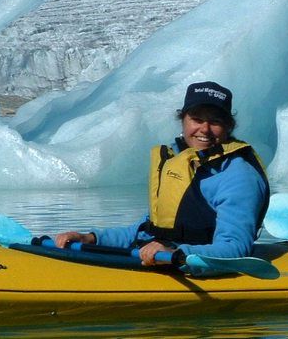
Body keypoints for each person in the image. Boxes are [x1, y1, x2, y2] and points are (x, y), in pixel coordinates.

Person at [53, 81, 270, 274]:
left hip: (190, 264)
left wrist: (175, 251)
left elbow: (235, 248)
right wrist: (92, 238)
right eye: (196, 119)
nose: (204, 129)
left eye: (215, 121)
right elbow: (146, 228)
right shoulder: (179, 163)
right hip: (161, 257)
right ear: (183, 120)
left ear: (228, 126)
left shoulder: (238, 175)